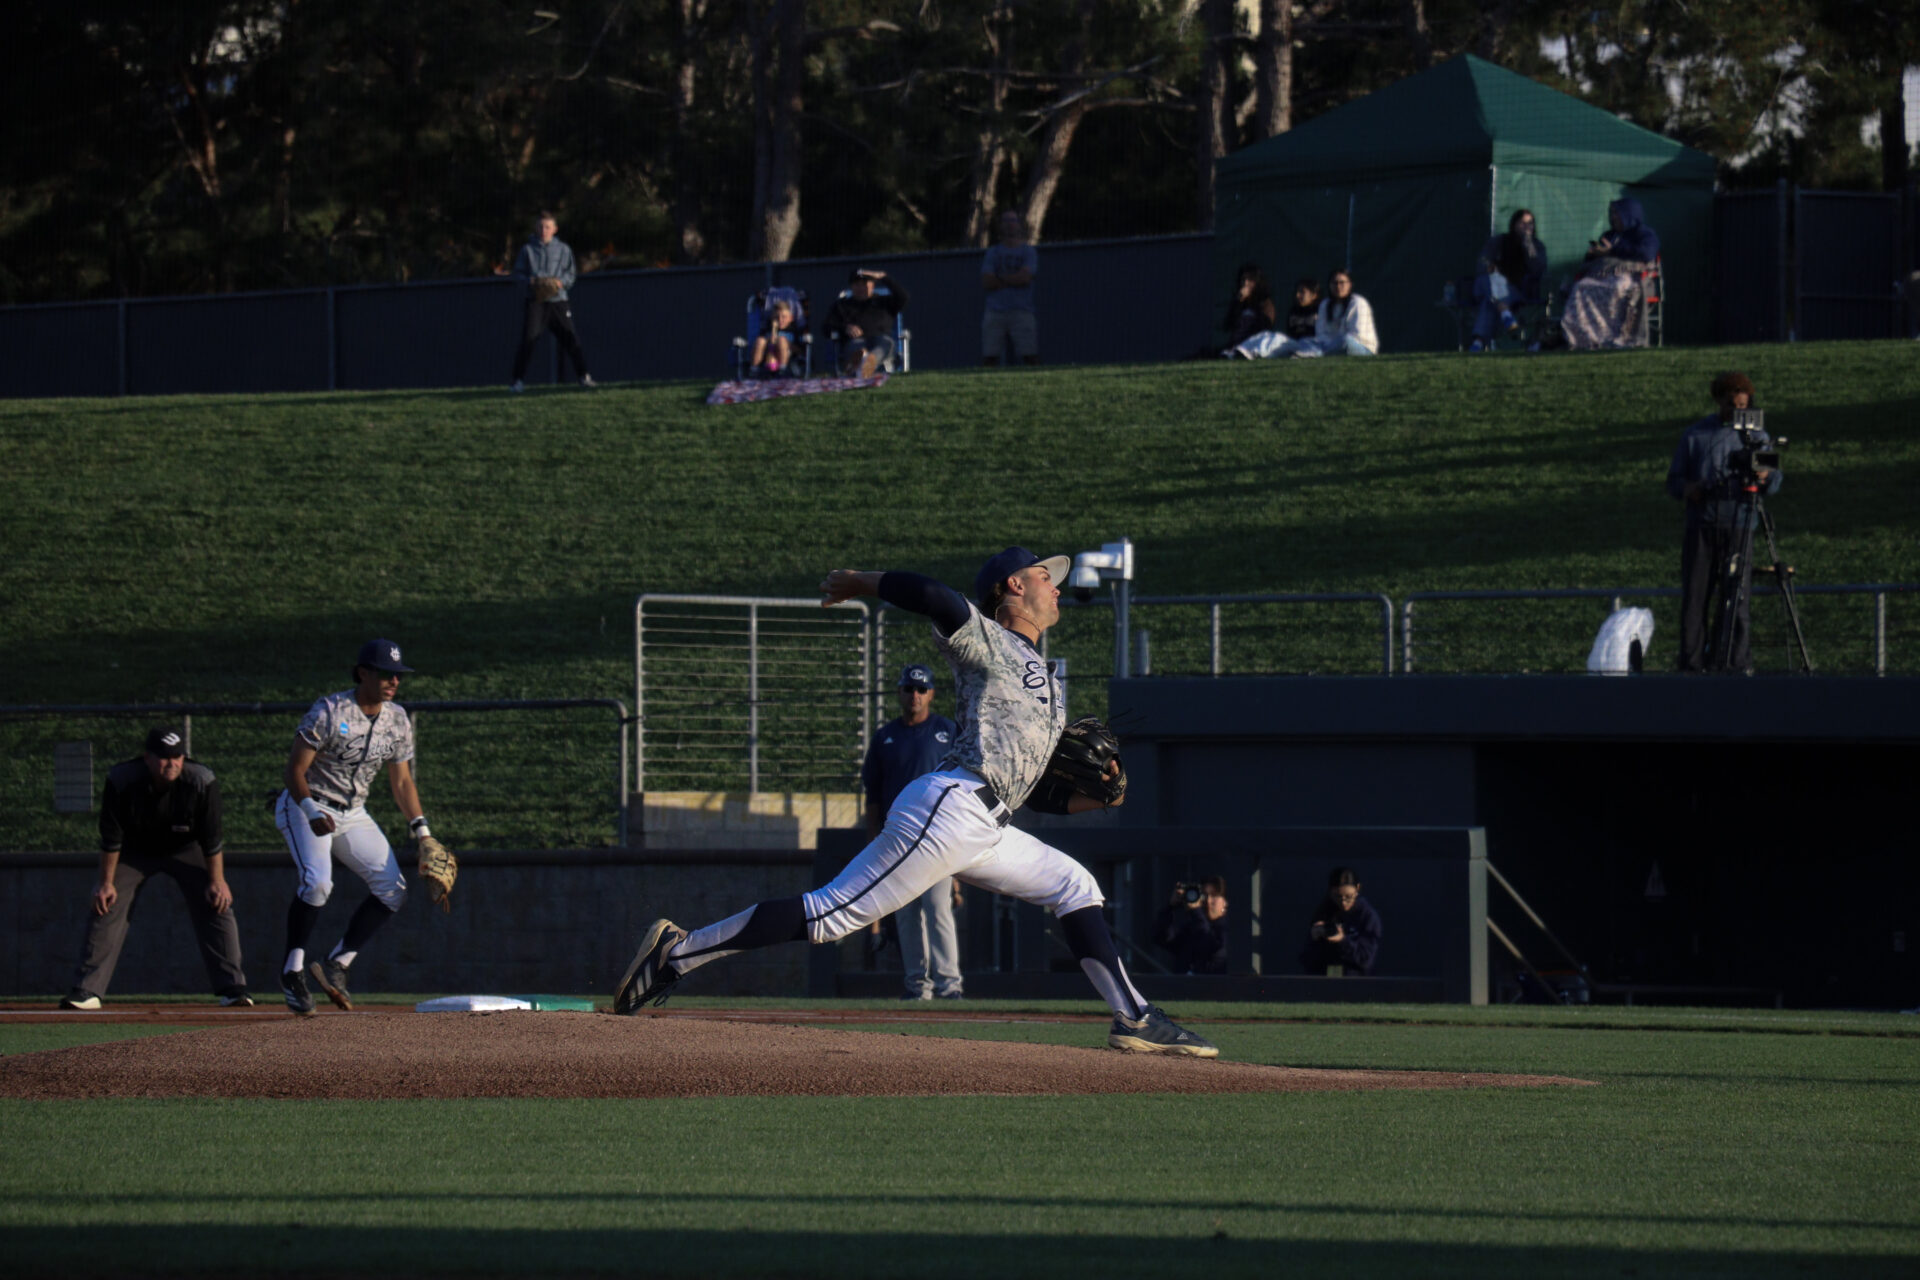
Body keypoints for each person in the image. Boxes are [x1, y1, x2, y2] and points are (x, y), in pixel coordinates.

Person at [615, 547, 1219, 1057]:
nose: (1056, 588)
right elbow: (933, 593)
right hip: (951, 807)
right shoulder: (987, 640)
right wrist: (863, 584)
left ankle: (1135, 1017)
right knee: (831, 917)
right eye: (1045, 577)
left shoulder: (1048, 679)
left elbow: (1038, 790)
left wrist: (1100, 800)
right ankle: (679, 951)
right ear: (1013, 586)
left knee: (1074, 884)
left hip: (991, 822)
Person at [273, 639, 435, 1015]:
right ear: (363, 672)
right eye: (384, 673)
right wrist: (311, 809)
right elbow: (294, 770)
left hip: (353, 812)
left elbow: (402, 783)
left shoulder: (397, 719)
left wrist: (422, 832)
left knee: (393, 890)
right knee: (317, 883)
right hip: (306, 804)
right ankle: (292, 970)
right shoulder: (330, 710)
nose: (393, 680)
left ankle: (337, 964)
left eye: (397, 674)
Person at [60, 727, 250, 1010]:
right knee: (106, 903)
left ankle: (233, 987)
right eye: (163, 758)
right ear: (147, 758)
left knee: (217, 900)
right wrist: (105, 883)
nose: (170, 764)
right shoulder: (122, 779)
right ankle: (87, 990)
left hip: (187, 848)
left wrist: (217, 880)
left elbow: (212, 838)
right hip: (135, 850)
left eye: (177, 757)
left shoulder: (201, 780)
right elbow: (111, 837)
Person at [1666, 371, 1781, 673]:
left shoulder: (1759, 436)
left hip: (1741, 523)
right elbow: (1674, 481)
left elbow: (1775, 480)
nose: (1738, 412)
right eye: (1732, 406)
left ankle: (1733, 661)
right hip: (1702, 524)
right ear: (1719, 401)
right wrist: (1690, 489)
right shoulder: (1695, 436)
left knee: (1737, 597)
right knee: (1695, 598)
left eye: (1743, 406)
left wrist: (1765, 476)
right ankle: (1691, 664)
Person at [862, 663, 963, 1000]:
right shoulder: (885, 737)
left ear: (931, 693)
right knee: (906, 915)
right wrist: (874, 840)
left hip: (939, 836)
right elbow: (873, 796)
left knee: (938, 909)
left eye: (922, 689)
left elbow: (965, 786)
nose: (915, 695)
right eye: (909, 689)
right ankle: (917, 985)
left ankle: (950, 986)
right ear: (900, 692)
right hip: (898, 838)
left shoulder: (947, 731)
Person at [504, 211, 596, 392]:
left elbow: (571, 274)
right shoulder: (527, 250)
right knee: (528, 340)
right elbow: (518, 274)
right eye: (540, 226)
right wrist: (530, 282)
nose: (543, 230)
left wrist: (561, 283)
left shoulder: (563, 249)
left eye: (547, 226)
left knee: (571, 339)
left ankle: (584, 377)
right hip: (536, 302)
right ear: (535, 228)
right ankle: (517, 382)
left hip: (558, 301)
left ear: (555, 229)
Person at [1561, 197, 1660, 351]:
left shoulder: (1644, 234)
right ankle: (1584, 339)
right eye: (1612, 213)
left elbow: (1647, 254)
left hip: (1633, 278)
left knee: (1618, 286)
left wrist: (1613, 250)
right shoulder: (1609, 235)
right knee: (1581, 287)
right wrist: (1594, 253)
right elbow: (1591, 261)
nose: (1613, 217)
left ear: (1629, 213)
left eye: (1617, 213)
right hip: (1602, 276)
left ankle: (1617, 337)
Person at [1230, 268, 1378, 359]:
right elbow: (1321, 335)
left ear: (1350, 285)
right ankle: (1244, 352)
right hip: (1325, 346)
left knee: (1345, 341)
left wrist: (1325, 345)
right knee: (1279, 339)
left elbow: (1357, 338)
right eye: (1334, 283)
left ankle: (1306, 355)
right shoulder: (1326, 305)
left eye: (1342, 282)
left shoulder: (1357, 302)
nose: (1338, 286)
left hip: (1359, 347)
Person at [1467, 209, 1547, 353]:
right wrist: (1491, 269)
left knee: (1489, 304)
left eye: (1530, 223)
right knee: (1490, 280)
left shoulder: (1537, 246)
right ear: (1514, 224)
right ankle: (1504, 311)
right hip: (1487, 284)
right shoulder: (1499, 241)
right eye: (1522, 223)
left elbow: (1537, 269)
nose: (1527, 226)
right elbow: (1482, 261)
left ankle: (1478, 342)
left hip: (1514, 292)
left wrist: (1528, 244)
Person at [826, 268, 909, 378]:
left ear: (872, 285)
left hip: (881, 338)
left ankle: (867, 363)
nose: (861, 288)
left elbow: (903, 297)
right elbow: (826, 327)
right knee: (855, 348)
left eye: (865, 284)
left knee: (884, 345)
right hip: (855, 341)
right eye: (857, 284)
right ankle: (861, 362)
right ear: (851, 286)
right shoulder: (842, 305)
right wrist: (845, 327)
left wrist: (883, 277)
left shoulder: (884, 302)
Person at [1298, 867, 1382, 976]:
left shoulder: (1366, 916)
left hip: (1357, 986)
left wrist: (1342, 940)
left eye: (1348, 896)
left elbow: (1365, 960)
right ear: (1330, 892)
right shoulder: (1323, 912)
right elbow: (1306, 962)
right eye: (1337, 896)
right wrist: (1315, 939)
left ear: (1357, 889)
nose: (1343, 902)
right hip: (1323, 984)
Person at [981, 210, 1038, 366]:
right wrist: (1013, 279)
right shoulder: (993, 253)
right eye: (1006, 221)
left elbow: (1025, 278)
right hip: (995, 310)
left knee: (1029, 355)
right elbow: (987, 281)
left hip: (1022, 308)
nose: (1010, 224)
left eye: (1013, 220)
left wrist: (1000, 279)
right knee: (990, 356)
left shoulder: (1028, 252)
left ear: (1019, 225)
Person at [1152, 877, 1228, 975]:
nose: (1208, 901)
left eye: (1214, 896)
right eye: (1204, 896)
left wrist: (1195, 911)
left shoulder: (1228, 931)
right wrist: (1170, 907)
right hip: (1184, 987)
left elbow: (1208, 942)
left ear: (1225, 902)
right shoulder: (1192, 928)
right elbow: (1161, 938)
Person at [1222, 263, 1277, 350]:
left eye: (1250, 280)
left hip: (1254, 345)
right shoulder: (1239, 301)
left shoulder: (1265, 302)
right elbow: (1227, 325)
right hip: (1236, 344)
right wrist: (1237, 302)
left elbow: (1266, 326)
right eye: (1243, 279)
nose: (1245, 283)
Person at [748, 296, 799, 378]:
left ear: (791, 318)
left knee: (781, 340)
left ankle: (783, 370)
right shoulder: (767, 329)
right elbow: (764, 343)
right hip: (768, 355)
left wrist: (783, 343)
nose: (780, 320)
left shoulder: (793, 331)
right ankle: (754, 370)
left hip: (786, 354)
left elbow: (798, 349)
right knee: (760, 340)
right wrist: (773, 331)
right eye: (776, 317)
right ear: (772, 318)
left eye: (784, 317)